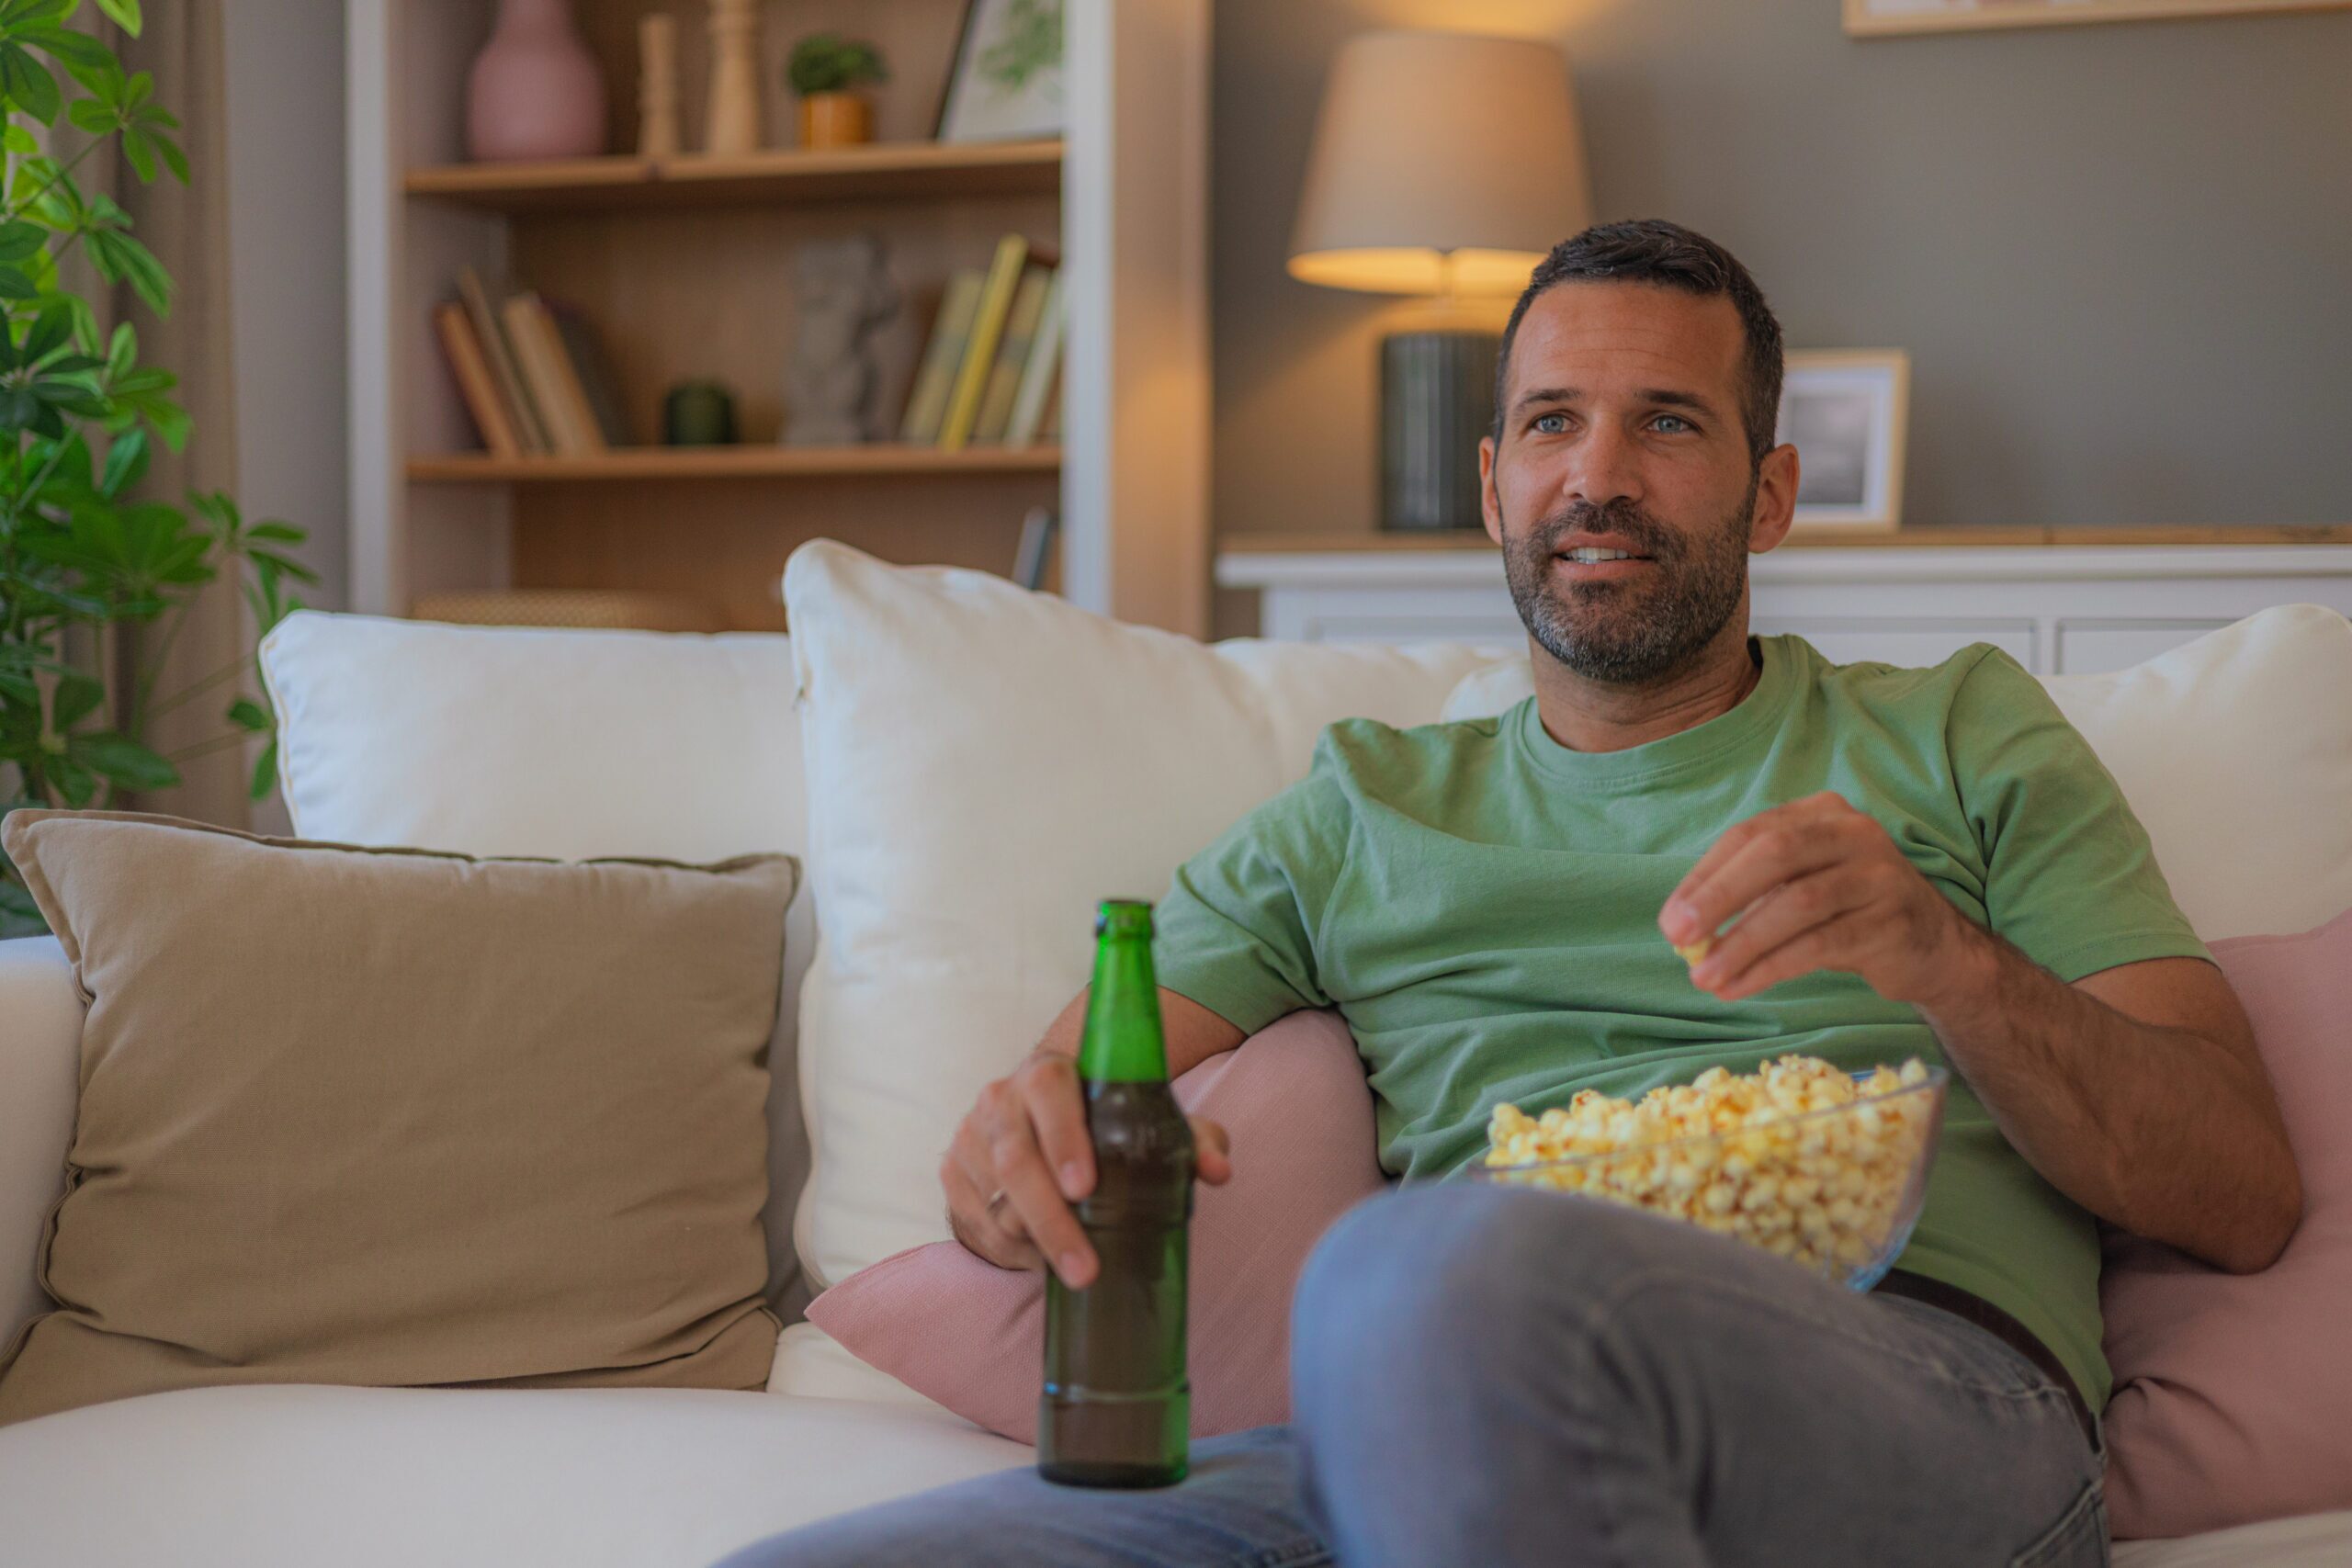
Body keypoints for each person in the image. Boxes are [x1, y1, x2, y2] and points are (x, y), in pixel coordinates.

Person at [717, 220, 2301, 1568]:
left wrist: (1948, 960)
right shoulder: (1361, 810)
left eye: (1670, 424)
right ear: (1490, 484)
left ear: (1770, 494)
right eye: (1552, 424)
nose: (1596, 478)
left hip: (1922, 1395)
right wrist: (1012, 1165)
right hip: (1439, 1417)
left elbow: (2240, 1189)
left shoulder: (1956, 729)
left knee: (1433, 1264)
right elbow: (1061, 1103)